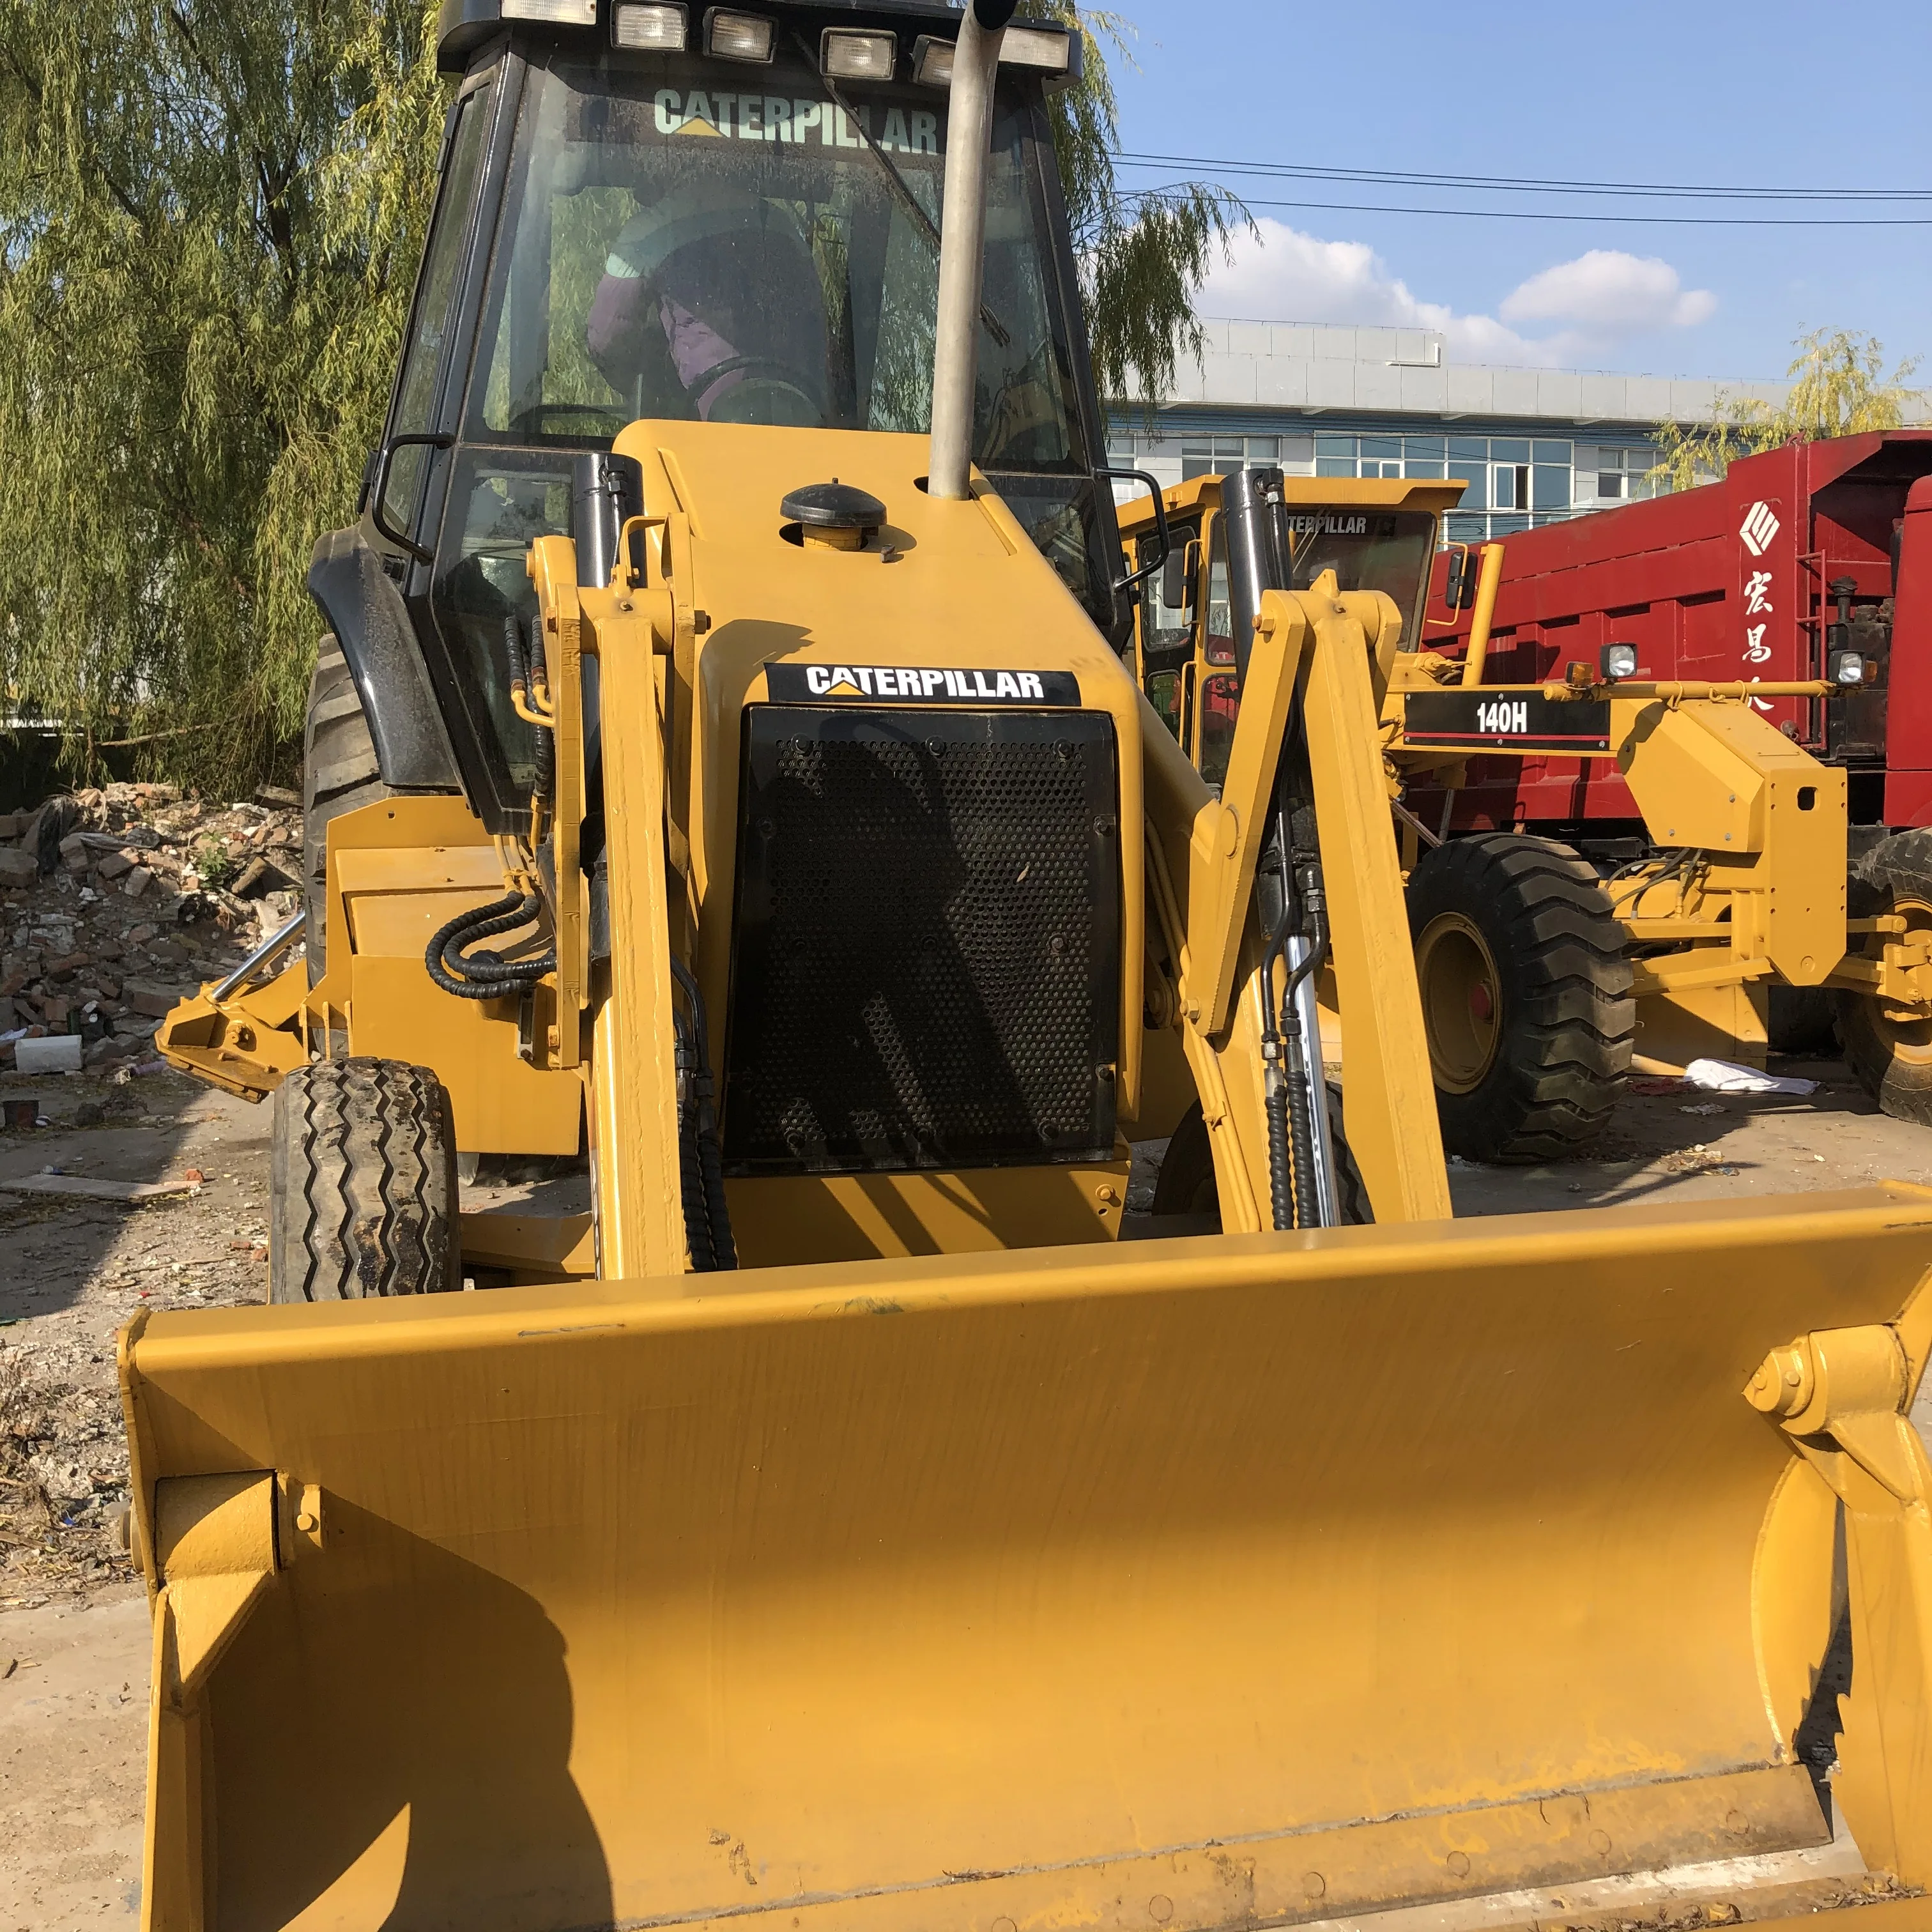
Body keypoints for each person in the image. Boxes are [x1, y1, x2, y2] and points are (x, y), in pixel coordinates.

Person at [586, 180, 830, 425]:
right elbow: (814, 326)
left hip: (707, 426)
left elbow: (607, 339)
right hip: (796, 420)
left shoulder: (648, 230)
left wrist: (651, 382)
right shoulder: (779, 224)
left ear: (663, 167)